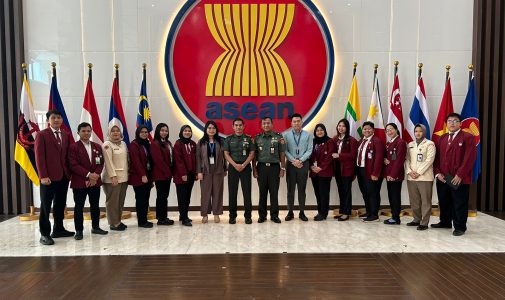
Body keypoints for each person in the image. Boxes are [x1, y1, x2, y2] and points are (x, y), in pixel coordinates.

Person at [34, 109, 74, 245]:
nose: (56, 120)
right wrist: (43, 176)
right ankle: (44, 234)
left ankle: (58, 228)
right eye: (53, 118)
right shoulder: (42, 135)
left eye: (58, 117)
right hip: (48, 178)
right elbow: (39, 157)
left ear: (62, 120)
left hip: (63, 176)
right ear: (48, 120)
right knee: (45, 205)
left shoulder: (65, 134)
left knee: (60, 204)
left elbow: (67, 156)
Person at [433, 113, 477, 236]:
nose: (452, 123)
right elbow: (437, 158)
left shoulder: (468, 137)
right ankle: (445, 222)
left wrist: (460, 175)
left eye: (455, 121)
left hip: (459, 179)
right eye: (449, 121)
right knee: (444, 201)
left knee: (459, 203)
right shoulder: (442, 137)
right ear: (446, 124)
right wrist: (437, 173)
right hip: (443, 178)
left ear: (460, 124)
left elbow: (470, 158)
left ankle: (460, 227)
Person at [68, 122, 108, 240]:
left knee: (95, 205)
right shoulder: (73, 147)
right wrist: (88, 175)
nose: (86, 133)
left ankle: (95, 227)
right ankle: (79, 230)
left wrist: (95, 175)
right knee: (79, 207)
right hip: (80, 182)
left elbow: (100, 162)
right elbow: (73, 165)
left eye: (88, 131)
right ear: (78, 133)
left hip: (95, 181)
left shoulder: (97, 146)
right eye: (83, 131)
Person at [253, 117, 286, 224]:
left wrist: (282, 168)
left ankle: (274, 215)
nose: (266, 125)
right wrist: (254, 169)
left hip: (274, 168)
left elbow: (282, 153)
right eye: (264, 123)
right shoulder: (257, 138)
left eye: (268, 123)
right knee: (262, 193)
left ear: (272, 124)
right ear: (261, 125)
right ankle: (262, 216)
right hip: (261, 167)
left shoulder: (278, 137)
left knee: (274, 193)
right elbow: (254, 155)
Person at [223, 118, 255, 224]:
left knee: (247, 193)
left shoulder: (249, 138)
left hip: (245, 167)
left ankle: (248, 216)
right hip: (233, 168)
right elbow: (226, 154)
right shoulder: (228, 139)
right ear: (233, 127)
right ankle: (232, 216)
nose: (238, 127)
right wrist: (235, 165)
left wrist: (244, 164)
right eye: (236, 125)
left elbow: (252, 153)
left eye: (240, 125)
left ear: (243, 126)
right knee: (232, 193)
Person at [283, 113, 313, 221]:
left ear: (302, 122)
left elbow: (309, 150)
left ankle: (302, 212)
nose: (296, 123)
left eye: (298, 121)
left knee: (302, 189)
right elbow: (285, 150)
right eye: (294, 121)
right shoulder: (286, 135)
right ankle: (290, 212)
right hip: (291, 165)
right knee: (290, 190)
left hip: (303, 164)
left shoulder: (308, 135)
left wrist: (300, 160)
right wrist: (293, 160)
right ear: (291, 123)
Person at [405, 124, 436, 231]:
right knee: (414, 200)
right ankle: (416, 219)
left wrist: (418, 172)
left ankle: (424, 222)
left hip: (425, 178)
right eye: (416, 131)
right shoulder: (410, 144)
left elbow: (429, 160)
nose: (418, 133)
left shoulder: (430, 144)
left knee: (425, 201)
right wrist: (409, 172)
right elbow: (407, 160)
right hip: (411, 178)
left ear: (424, 132)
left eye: (420, 131)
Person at [196, 121, 227, 223]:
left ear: (216, 130)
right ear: (206, 129)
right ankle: (204, 214)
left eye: (213, 128)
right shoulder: (201, 142)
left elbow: (225, 156)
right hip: (205, 170)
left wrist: (225, 169)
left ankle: (216, 214)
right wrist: (199, 172)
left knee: (217, 192)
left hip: (218, 170)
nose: (211, 130)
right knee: (205, 193)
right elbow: (198, 158)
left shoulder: (220, 141)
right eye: (209, 128)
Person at [356, 121, 385, 222]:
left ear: (373, 130)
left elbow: (379, 158)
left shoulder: (377, 141)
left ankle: (374, 215)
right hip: (361, 170)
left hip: (371, 171)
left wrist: (375, 173)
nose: (366, 130)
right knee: (365, 192)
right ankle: (368, 212)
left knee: (373, 193)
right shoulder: (361, 141)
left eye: (369, 128)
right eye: (364, 129)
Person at [102, 123, 129, 231]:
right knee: (112, 202)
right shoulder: (107, 145)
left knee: (120, 201)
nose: (116, 133)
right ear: (109, 133)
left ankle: (118, 220)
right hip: (112, 179)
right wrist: (113, 176)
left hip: (124, 177)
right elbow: (108, 162)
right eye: (113, 131)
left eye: (117, 130)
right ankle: (113, 223)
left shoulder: (123, 144)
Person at [309, 124, 336, 221]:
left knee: (324, 193)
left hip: (324, 172)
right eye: (317, 130)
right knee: (317, 193)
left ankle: (324, 214)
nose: (319, 132)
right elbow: (310, 155)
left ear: (324, 131)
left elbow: (329, 157)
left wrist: (321, 168)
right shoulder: (313, 142)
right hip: (314, 172)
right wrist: (311, 166)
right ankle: (320, 211)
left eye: (321, 130)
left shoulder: (330, 141)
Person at [332, 119, 358, 221]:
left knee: (346, 191)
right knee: (341, 190)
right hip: (337, 169)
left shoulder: (351, 140)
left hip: (347, 169)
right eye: (339, 126)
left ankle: (347, 213)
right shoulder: (335, 139)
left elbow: (353, 155)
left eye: (343, 126)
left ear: (347, 128)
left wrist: (339, 155)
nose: (341, 128)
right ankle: (342, 210)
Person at [129, 125, 154, 228]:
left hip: (147, 175)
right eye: (142, 132)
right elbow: (136, 162)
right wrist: (142, 175)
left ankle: (144, 219)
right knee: (140, 199)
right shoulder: (134, 144)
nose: (144, 134)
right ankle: (141, 221)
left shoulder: (147, 144)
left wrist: (149, 178)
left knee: (145, 199)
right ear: (138, 133)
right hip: (139, 177)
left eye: (146, 132)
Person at [151, 123, 175, 226]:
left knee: (164, 196)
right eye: (162, 130)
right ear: (158, 131)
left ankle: (163, 216)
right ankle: (161, 219)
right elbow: (159, 161)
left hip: (167, 175)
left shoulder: (168, 142)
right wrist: (168, 173)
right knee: (161, 196)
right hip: (161, 175)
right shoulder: (155, 143)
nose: (164, 132)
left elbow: (171, 158)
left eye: (166, 130)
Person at [383, 123, 407, 225]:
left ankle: (396, 218)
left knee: (395, 196)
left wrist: (393, 175)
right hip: (389, 174)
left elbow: (399, 161)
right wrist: (384, 159)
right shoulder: (389, 143)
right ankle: (394, 216)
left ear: (396, 130)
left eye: (391, 129)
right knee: (391, 196)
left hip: (395, 175)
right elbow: (387, 157)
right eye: (387, 130)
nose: (389, 132)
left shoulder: (400, 142)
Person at [173, 125, 197, 227]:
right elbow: (178, 161)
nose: (187, 132)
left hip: (191, 175)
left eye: (189, 131)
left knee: (187, 197)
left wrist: (195, 172)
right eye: (185, 131)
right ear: (181, 132)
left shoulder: (193, 144)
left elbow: (195, 159)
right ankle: (184, 218)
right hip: (181, 175)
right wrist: (183, 173)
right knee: (182, 196)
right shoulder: (178, 144)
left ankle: (183, 215)